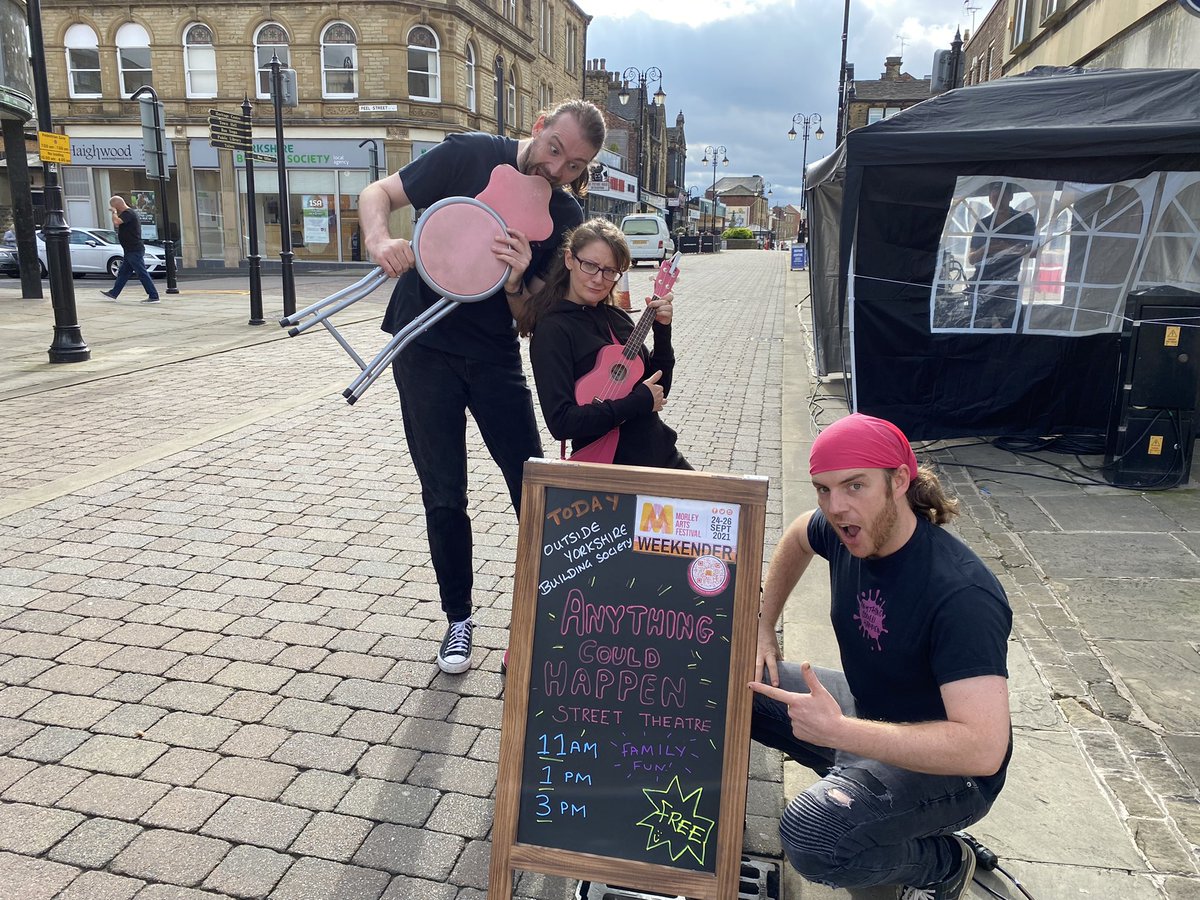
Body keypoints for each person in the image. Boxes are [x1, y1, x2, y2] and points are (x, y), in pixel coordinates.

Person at [358, 99, 606, 675]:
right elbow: (380, 194)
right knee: (444, 493)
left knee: (533, 486)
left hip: (494, 355)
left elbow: (528, 316)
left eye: (574, 165)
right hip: (422, 349)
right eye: (555, 150)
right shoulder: (470, 154)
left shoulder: (563, 216)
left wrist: (520, 278)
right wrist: (379, 241)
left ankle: (559, 613)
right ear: (538, 125)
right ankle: (459, 620)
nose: (557, 169)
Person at [748, 413, 1012, 900]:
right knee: (732, 683)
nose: (836, 506)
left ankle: (943, 862)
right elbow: (798, 535)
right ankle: (867, 818)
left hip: (952, 772)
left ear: (899, 481)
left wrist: (840, 732)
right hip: (866, 710)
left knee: (811, 836)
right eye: (823, 489)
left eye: (854, 486)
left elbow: (983, 748)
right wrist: (763, 625)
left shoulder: (961, 594)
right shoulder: (844, 531)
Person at [519, 218, 689, 470]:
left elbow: (657, 388)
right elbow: (561, 422)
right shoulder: (553, 330)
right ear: (569, 260)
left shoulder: (617, 317)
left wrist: (663, 331)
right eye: (590, 265)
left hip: (662, 457)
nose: (599, 279)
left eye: (610, 271)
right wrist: (637, 403)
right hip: (608, 471)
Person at [967, 181, 1036, 328]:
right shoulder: (983, 224)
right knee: (977, 331)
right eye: (995, 197)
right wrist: (986, 249)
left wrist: (1008, 248)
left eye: (1002, 196)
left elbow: (1034, 252)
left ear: (1010, 196)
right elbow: (971, 259)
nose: (998, 201)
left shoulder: (1024, 220)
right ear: (989, 199)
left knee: (1013, 330)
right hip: (981, 285)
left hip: (1008, 286)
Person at [101, 195, 159, 303]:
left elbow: (116, 222)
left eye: (113, 207)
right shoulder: (127, 214)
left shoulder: (128, 213)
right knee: (123, 273)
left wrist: (113, 212)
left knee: (141, 272)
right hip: (129, 250)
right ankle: (113, 293)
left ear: (117, 206)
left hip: (134, 249)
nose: (114, 210)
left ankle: (154, 296)